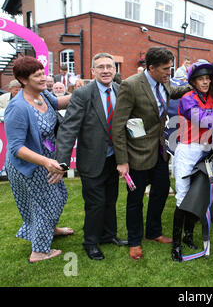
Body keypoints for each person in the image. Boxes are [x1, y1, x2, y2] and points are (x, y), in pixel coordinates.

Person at [112, 47, 191, 260]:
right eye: (165, 69)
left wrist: (197, 84)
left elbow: (173, 91)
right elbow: (118, 126)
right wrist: (122, 161)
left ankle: (153, 232)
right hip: (136, 153)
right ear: (151, 68)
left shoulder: (164, 80)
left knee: (162, 190)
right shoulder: (130, 85)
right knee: (135, 199)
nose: (169, 72)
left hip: (159, 150)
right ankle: (135, 241)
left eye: (171, 68)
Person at [56, 53, 128, 261]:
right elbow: (68, 129)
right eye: (101, 67)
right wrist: (62, 161)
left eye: (109, 66)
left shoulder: (119, 90)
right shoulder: (82, 94)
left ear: (114, 70)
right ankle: (91, 242)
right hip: (91, 160)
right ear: (92, 71)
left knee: (110, 200)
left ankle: (108, 235)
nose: (106, 70)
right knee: (95, 204)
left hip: (113, 159)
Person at [4, 56, 73, 263]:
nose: (44, 78)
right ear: (24, 80)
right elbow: (16, 147)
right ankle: (40, 251)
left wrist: (88, 92)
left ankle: (51, 229)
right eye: (38, 75)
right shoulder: (17, 107)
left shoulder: (43, 95)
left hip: (47, 159)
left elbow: (59, 102)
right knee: (42, 204)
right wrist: (45, 162)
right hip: (28, 165)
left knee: (58, 195)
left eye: (43, 73)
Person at [171, 61, 213, 261]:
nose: (205, 82)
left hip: (205, 152)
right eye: (200, 79)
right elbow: (207, 121)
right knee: (183, 197)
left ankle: (188, 236)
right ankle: (176, 246)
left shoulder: (211, 100)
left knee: (198, 195)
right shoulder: (187, 99)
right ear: (193, 82)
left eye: (207, 79)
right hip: (188, 151)